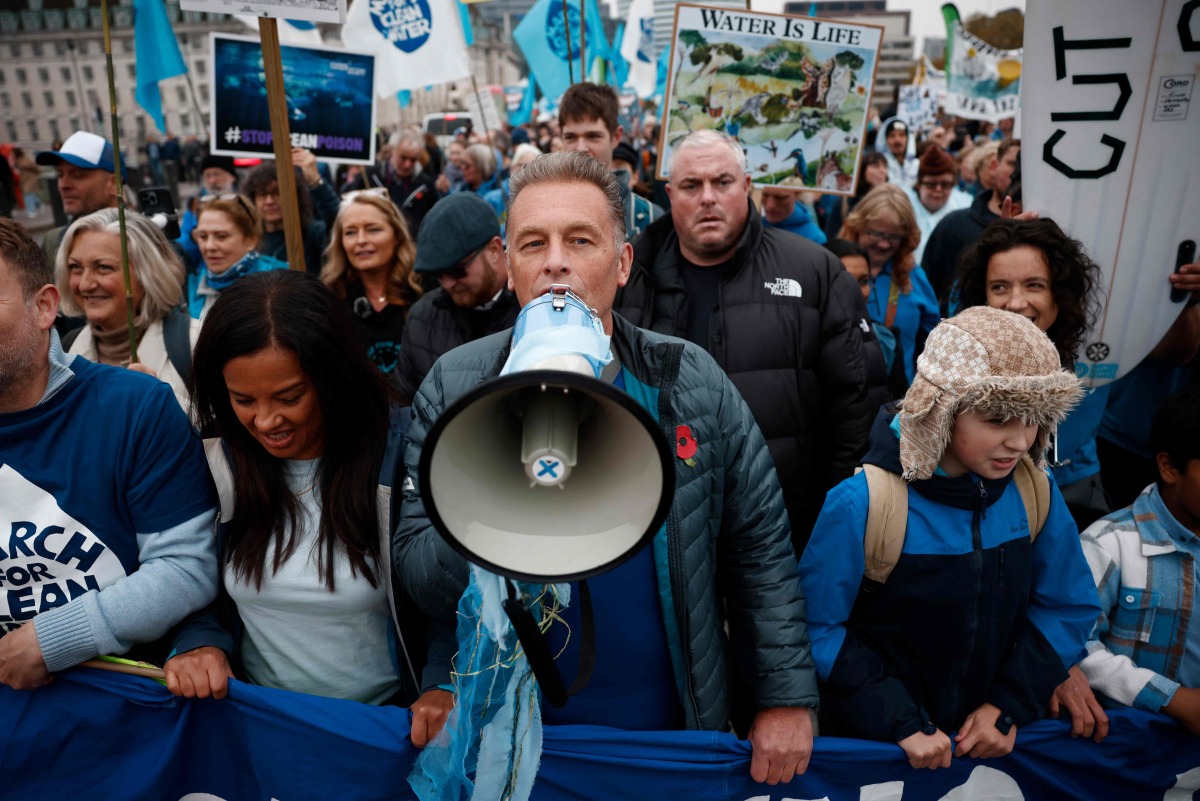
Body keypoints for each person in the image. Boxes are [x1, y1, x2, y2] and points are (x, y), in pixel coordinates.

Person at [394, 151, 817, 785]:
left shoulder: (687, 379)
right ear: (509, 267)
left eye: (580, 240)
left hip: (662, 730)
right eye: (533, 243)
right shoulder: (456, 385)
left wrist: (785, 698)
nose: (555, 261)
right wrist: (495, 501)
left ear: (621, 265)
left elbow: (759, 548)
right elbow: (416, 569)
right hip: (514, 738)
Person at [799, 306, 1101, 768]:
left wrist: (1007, 707)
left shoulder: (1035, 491)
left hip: (995, 741)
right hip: (880, 750)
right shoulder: (862, 503)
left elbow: (1068, 605)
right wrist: (898, 721)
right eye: (998, 419)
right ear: (940, 410)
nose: (1020, 442)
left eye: (1033, 419)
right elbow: (817, 627)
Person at [163, 272, 453, 745]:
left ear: (333, 375)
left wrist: (443, 680)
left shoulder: (406, 454)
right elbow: (184, 578)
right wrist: (199, 641)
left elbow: (447, 592)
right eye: (242, 400)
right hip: (263, 729)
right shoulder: (215, 461)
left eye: (289, 397)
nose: (266, 420)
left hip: (388, 736)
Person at [629, 129, 873, 554]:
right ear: (670, 194)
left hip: (785, 532)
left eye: (722, 182)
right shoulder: (629, 279)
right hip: (663, 536)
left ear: (746, 187)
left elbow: (856, 405)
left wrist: (828, 517)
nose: (708, 197)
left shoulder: (816, 272)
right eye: (691, 185)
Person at [0, 218, 219, 690]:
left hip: (120, 717)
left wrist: (52, 638)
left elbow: (188, 565)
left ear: (43, 307)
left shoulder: (136, 406)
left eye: (104, 267)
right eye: (77, 268)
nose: (88, 281)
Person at [953, 218, 1110, 527]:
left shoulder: (1098, 348)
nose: (1015, 303)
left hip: (1073, 494)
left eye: (1034, 285)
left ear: (1059, 292)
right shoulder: (957, 359)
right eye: (999, 287)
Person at [1079, 386, 1200, 736]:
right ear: (1169, 467)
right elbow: (1073, 646)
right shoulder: (1108, 543)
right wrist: (1171, 698)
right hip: (1125, 746)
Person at [56, 209, 200, 412]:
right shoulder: (64, 352)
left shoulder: (195, 343)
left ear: (148, 273)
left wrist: (162, 401)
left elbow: (226, 437)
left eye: (103, 267)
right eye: (75, 267)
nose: (85, 284)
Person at [393, 192, 517, 403]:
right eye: (438, 275)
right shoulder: (422, 317)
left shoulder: (532, 311)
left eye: (457, 270)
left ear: (495, 249)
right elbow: (403, 407)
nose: (448, 283)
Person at [839, 183, 939, 387]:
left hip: (898, 401)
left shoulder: (914, 276)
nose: (884, 244)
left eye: (893, 237)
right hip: (843, 395)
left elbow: (936, 342)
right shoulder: (831, 266)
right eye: (875, 234)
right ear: (857, 227)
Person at [321, 189, 423, 376]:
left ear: (397, 235)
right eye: (350, 232)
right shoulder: (329, 299)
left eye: (373, 229)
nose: (361, 241)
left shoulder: (423, 289)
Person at [921, 139, 1022, 311]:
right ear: (994, 165)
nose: (1019, 173)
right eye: (1014, 163)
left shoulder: (1044, 231)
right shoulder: (953, 225)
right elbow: (926, 292)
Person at [558, 82, 662, 240]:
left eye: (593, 136)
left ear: (616, 137)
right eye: (570, 137)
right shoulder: (542, 212)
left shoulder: (648, 218)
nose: (580, 148)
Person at [188, 194, 288, 320]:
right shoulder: (194, 285)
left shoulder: (282, 284)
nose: (209, 246)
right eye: (202, 236)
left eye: (221, 236)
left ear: (251, 240)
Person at [241, 151, 339, 275]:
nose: (269, 201)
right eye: (262, 194)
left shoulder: (312, 233)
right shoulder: (248, 240)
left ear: (294, 196)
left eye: (277, 193)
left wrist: (316, 182)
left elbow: (338, 223)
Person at [35, 131, 121, 267]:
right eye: (60, 175)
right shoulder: (53, 242)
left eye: (77, 174)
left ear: (113, 183)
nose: (63, 185)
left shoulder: (144, 239)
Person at [348, 130, 440, 236]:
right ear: (392, 151)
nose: (407, 165)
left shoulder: (426, 185)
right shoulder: (368, 178)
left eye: (413, 160)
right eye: (403, 158)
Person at [902, 146, 971, 264]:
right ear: (919, 184)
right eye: (931, 184)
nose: (938, 190)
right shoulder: (904, 207)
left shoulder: (966, 206)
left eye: (945, 184)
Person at [820, 150, 888, 241]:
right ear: (862, 169)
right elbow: (831, 237)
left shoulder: (889, 201)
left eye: (885, 166)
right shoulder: (844, 201)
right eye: (875, 166)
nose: (882, 171)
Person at [760, 187, 826, 245]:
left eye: (780, 197)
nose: (770, 206)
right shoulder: (756, 226)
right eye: (765, 195)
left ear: (797, 195)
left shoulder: (815, 238)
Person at [457, 143, 505, 217]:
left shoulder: (497, 196)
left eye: (467, 165)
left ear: (482, 167)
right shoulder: (462, 188)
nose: (462, 168)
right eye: (461, 164)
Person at [879, 118, 918, 186]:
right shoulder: (879, 167)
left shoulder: (918, 165)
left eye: (901, 135)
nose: (897, 140)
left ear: (908, 139)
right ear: (885, 140)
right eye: (892, 136)